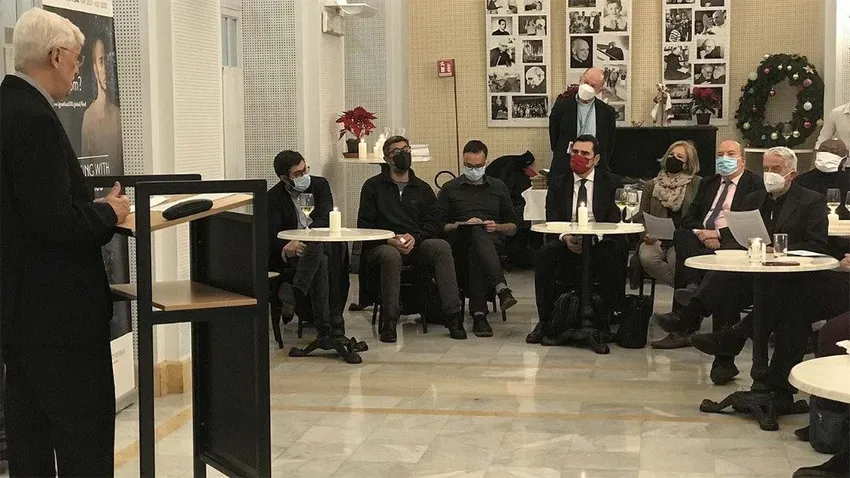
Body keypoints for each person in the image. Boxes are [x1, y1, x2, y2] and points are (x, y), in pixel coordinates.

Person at [1, 8, 131, 476]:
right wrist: (108, 211)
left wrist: (85, 204)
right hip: (59, 316)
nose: (78, 71)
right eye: (76, 59)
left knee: (30, 439)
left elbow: (29, 206)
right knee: (83, 439)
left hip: (20, 311)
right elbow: (53, 222)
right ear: (56, 56)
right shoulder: (33, 118)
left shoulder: (7, 105)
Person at [661, 147, 828, 386]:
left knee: (760, 292)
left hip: (788, 275)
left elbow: (817, 245)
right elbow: (735, 234)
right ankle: (718, 353)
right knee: (724, 279)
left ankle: (704, 329)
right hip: (754, 269)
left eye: (776, 169)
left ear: (792, 173)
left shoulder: (811, 201)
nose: (770, 173)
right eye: (766, 168)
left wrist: (777, 249)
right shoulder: (754, 199)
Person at [651, 140, 763, 349]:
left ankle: (684, 319)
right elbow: (689, 218)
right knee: (682, 234)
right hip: (701, 236)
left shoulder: (755, 184)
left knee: (720, 259)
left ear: (742, 160)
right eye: (720, 154)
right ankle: (694, 288)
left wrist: (718, 234)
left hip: (733, 239)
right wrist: (702, 234)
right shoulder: (709, 183)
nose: (724, 158)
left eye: (731, 154)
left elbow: (749, 222)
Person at [357, 136, 465, 343]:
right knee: (390, 256)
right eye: (397, 152)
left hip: (417, 242)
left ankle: (453, 316)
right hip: (383, 244)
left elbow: (433, 222)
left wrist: (415, 237)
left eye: (406, 150)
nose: (403, 155)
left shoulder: (422, 188)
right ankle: (389, 321)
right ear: (387, 159)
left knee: (441, 246)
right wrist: (389, 239)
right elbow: (365, 225)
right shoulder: (372, 187)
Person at [527, 135, 625, 346]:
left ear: (596, 159)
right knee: (544, 254)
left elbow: (614, 219)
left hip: (598, 242)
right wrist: (566, 238)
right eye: (575, 152)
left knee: (614, 251)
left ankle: (604, 321)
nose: (578, 156)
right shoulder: (558, 182)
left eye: (585, 153)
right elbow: (552, 217)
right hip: (568, 241)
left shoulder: (611, 182)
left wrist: (594, 239)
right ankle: (546, 321)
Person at [267, 151, 349, 348]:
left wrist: (302, 237)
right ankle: (329, 326)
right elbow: (272, 232)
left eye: (305, 170)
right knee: (321, 259)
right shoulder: (273, 197)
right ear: (284, 178)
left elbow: (324, 217)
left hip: (318, 242)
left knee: (320, 250)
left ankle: (298, 292)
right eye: (298, 174)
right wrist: (287, 245)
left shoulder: (319, 185)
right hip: (295, 251)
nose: (304, 176)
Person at [437, 140, 518, 337]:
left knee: (477, 245)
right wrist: (460, 224)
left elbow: (513, 226)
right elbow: (439, 226)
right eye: (469, 166)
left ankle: (479, 315)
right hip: (459, 241)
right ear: (463, 162)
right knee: (474, 233)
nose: (474, 170)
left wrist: (496, 226)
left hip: (493, 242)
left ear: (486, 163)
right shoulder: (450, 188)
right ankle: (500, 289)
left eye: (478, 166)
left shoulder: (498, 187)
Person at [632, 141, 702, 287]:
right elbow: (641, 216)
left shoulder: (697, 183)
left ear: (688, 163)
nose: (673, 158)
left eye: (679, 157)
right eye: (671, 154)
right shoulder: (651, 185)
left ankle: (686, 292)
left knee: (678, 262)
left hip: (681, 240)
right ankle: (688, 291)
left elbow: (701, 214)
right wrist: (645, 234)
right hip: (655, 239)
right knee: (648, 259)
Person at [549, 68, 617, 176]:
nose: (587, 87)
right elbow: (554, 138)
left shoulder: (607, 112)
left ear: (600, 90)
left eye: (592, 86)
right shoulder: (561, 107)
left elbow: (609, 144)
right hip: (564, 167)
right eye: (585, 82)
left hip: (595, 168)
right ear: (580, 80)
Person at [81, 20, 122, 168]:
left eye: (107, 61)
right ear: (94, 67)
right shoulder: (89, 118)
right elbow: (85, 168)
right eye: (100, 61)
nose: (105, 69)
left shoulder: (118, 115)